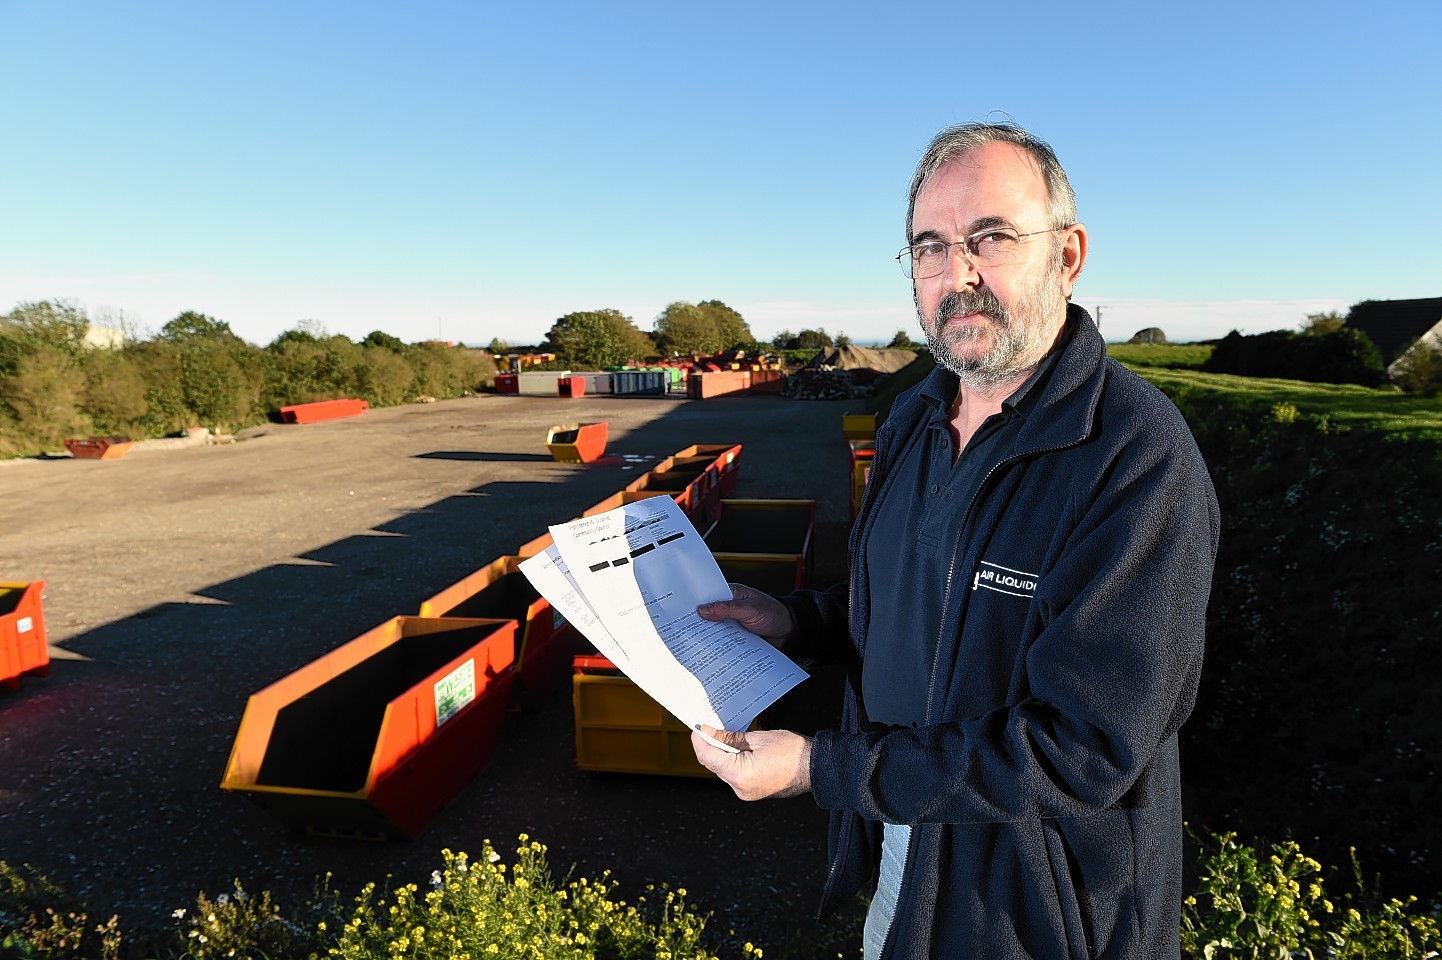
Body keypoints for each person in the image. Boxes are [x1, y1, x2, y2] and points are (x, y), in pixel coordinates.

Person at [691, 122, 1220, 960]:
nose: (957, 275)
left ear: (1068, 254)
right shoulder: (915, 417)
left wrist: (817, 771)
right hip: (903, 838)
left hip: (1030, 906)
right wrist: (795, 622)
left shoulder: (1133, 455)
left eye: (992, 239)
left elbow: (1085, 747)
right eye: (930, 248)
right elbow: (914, 588)